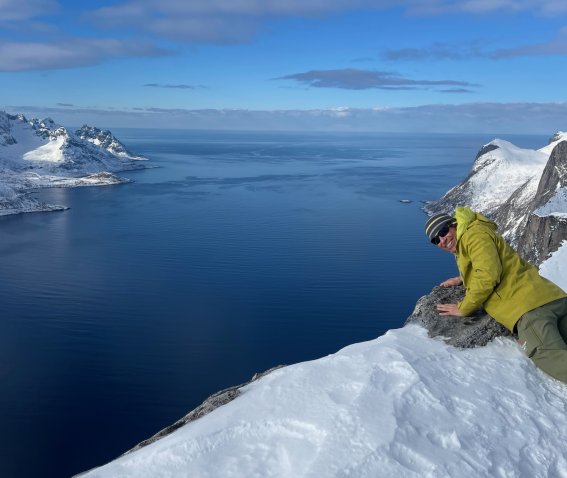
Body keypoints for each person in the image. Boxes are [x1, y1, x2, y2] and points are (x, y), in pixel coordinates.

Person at [425, 206, 567, 383]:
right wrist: (463, 278)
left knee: (552, 358)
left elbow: (487, 275)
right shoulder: (472, 234)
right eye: (435, 240)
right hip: (552, 298)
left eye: (444, 231)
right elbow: (489, 262)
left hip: (528, 309)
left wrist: (464, 308)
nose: (442, 240)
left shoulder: (473, 235)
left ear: (454, 224)